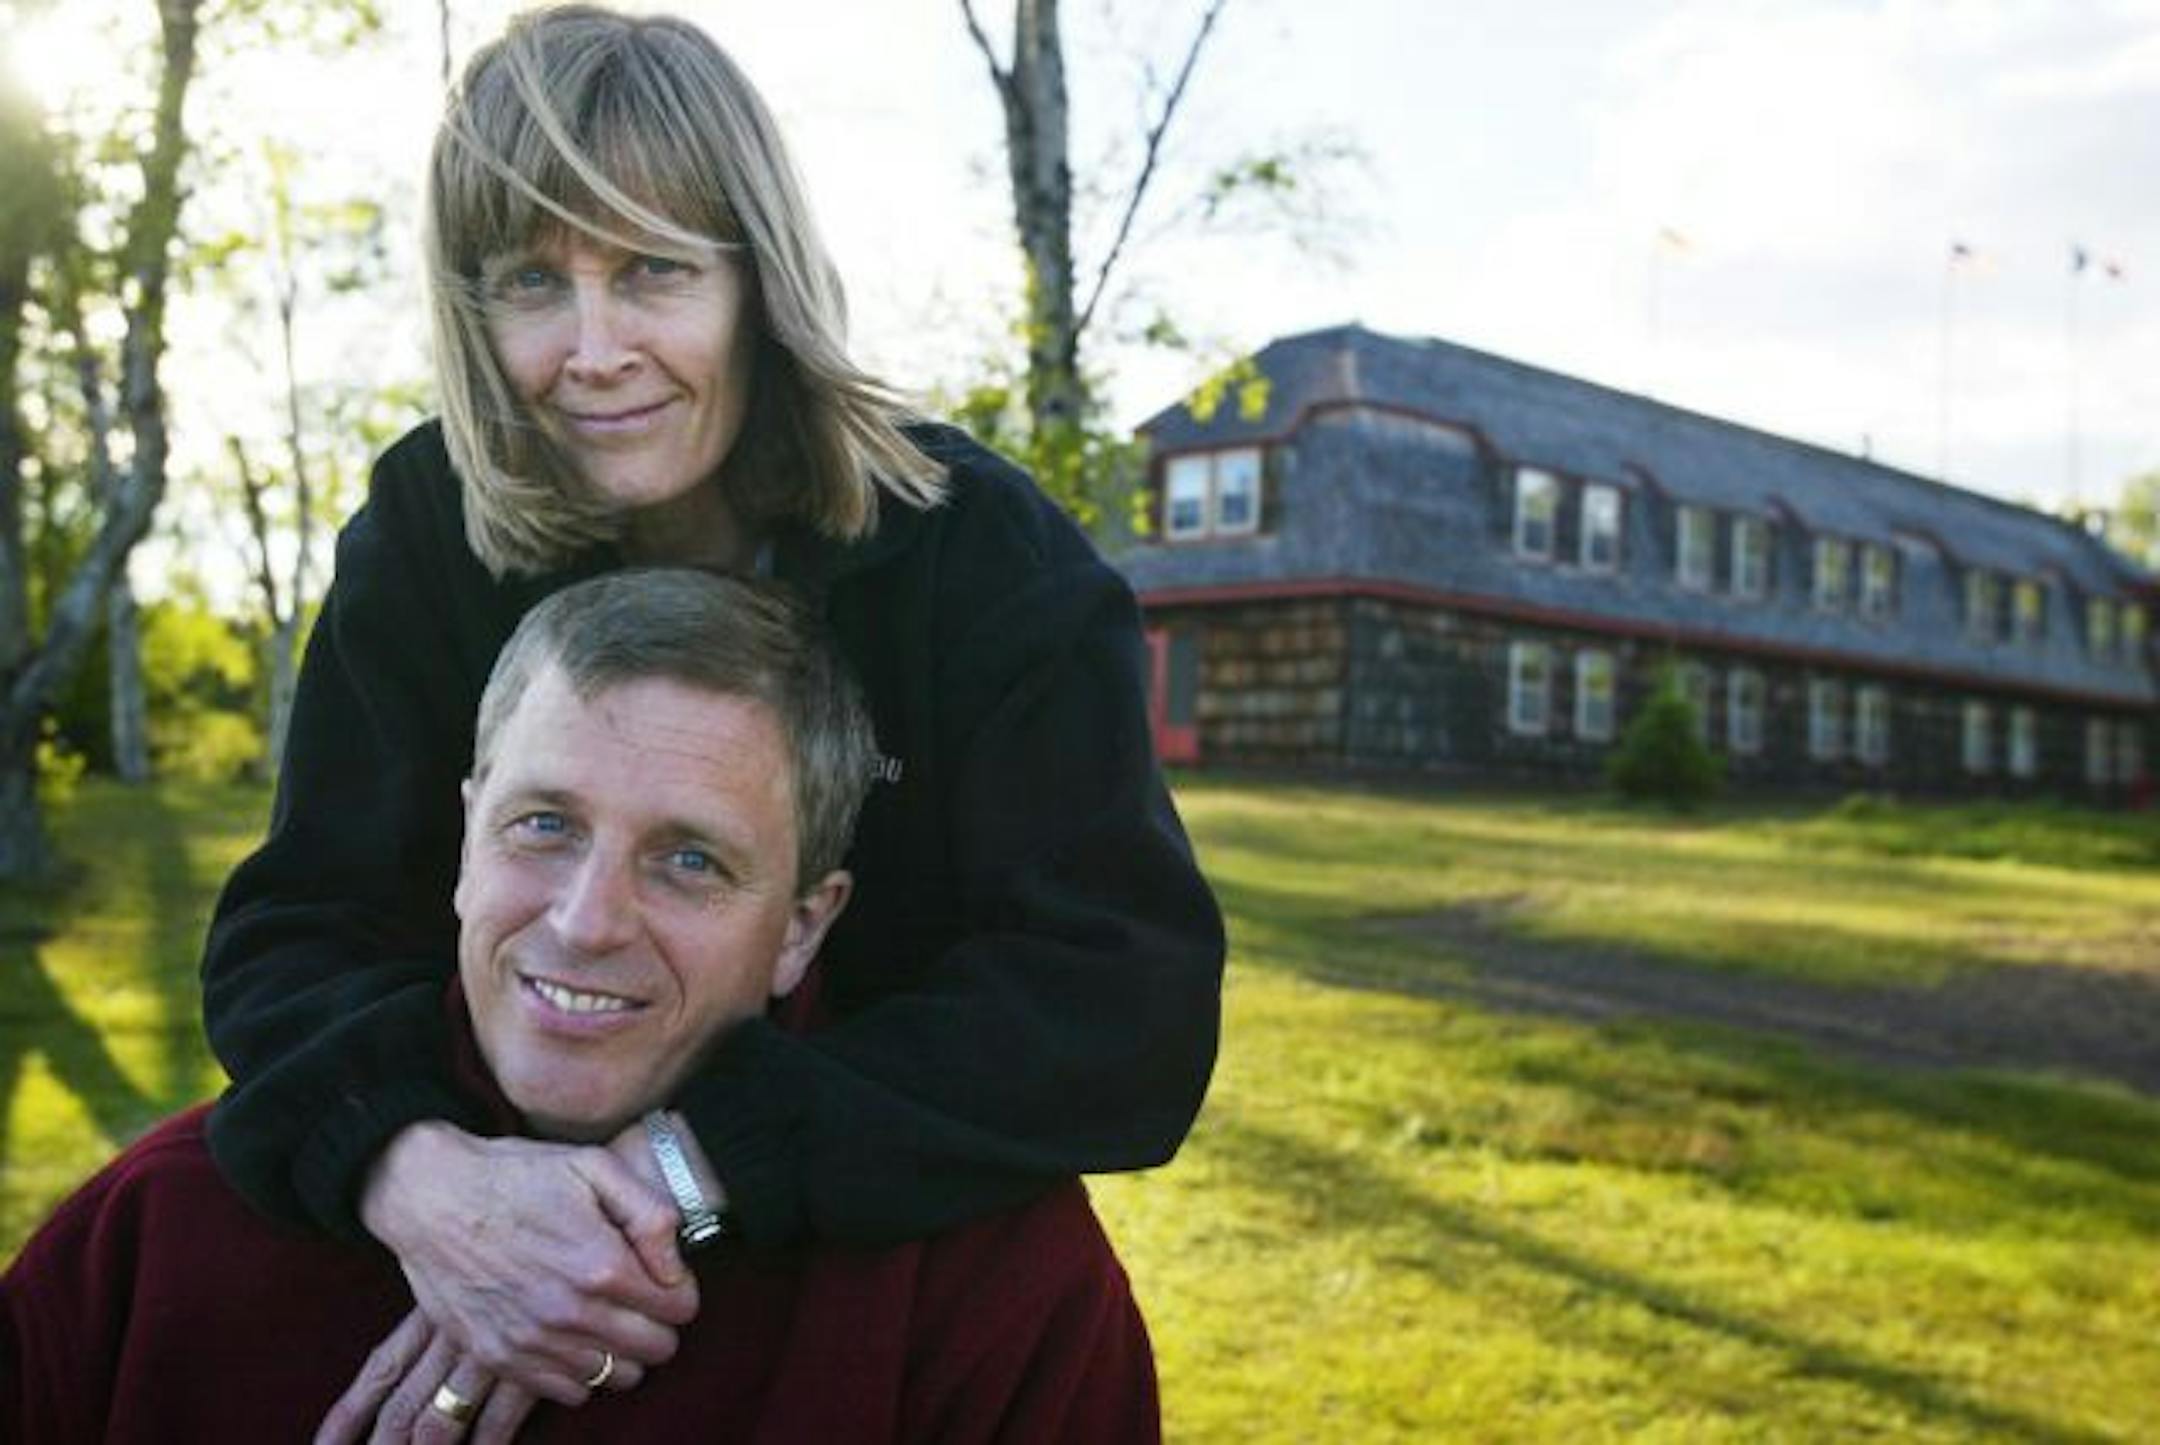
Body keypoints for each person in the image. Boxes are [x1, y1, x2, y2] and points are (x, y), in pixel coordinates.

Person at [198, 0, 1221, 1430]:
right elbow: (297, 927)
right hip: (484, 1177)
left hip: (881, 1270)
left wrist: (675, 1173)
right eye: (530, 283)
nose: (592, 348)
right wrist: (423, 1179)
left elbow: (1125, 999)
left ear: (759, 280)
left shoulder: (979, 558)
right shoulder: (431, 531)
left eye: (654, 271)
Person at [4, 570, 1160, 1444]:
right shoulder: (160, 1230)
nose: (587, 919)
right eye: (544, 824)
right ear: (464, 837)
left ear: (804, 924)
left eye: (691, 860)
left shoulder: (997, 1293)